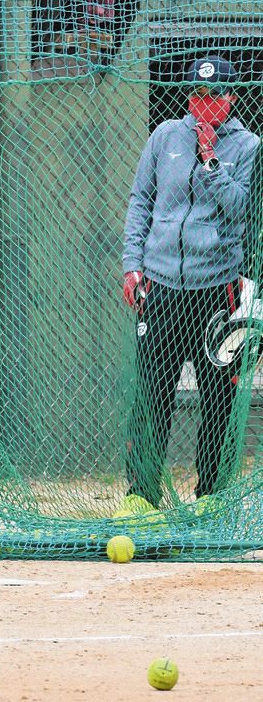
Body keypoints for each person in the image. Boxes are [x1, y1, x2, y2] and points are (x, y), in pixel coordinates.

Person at [121, 54, 260, 515]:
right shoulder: (164, 136)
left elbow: (244, 209)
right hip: (160, 287)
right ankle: (142, 495)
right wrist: (132, 264)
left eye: (215, 95)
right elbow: (142, 200)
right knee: (151, 395)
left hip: (218, 289)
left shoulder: (249, 147)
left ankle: (212, 498)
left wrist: (210, 161)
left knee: (218, 399)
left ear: (231, 97)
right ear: (189, 97)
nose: (205, 104)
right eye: (198, 95)